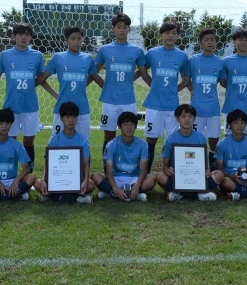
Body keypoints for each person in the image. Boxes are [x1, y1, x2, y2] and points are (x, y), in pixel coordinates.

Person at [0, 22, 54, 171]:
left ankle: (28, 176)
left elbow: (41, 78)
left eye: (27, 34)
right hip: (10, 107)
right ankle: (11, 173)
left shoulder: (37, 56)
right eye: (20, 34)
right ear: (14, 36)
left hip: (30, 106)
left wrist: (56, 94)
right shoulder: (5, 55)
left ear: (31, 37)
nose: (23, 37)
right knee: (10, 141)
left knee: (29, 141)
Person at [139, 21, 190, 174]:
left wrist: (175, 90)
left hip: (172, 106)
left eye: (174, 33)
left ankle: (175, 174)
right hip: (154, 105)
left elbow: (186, 79)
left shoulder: (182, 56)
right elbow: (143, 70)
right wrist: (152, 84)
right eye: (168, 33)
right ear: (161, 34)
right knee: (151, 140)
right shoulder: (153, 53)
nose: (171, 36)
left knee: (173, 141)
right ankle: (147, 174)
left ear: (177, 36)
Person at [37, 26, 104, 140]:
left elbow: (95, 77)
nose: (76, 42)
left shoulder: (87, 58)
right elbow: (42, 79)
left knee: (83, 144)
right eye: (73, 38)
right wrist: (55, 95)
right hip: (62, 108)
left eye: (79, 38)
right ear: (66, 40)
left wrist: (109, 89)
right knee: (57, 143)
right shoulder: (57, 57)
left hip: (82, 108)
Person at [94, 13, 146, 158]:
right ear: (113, 29)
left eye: (125, 27)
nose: (122, 30)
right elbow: (94, 72)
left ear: (129, 29)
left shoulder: (137, 51)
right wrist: (105, 86)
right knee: (109, 136)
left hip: (128, 100)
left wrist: (129, 79)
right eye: (119, 27)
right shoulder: (105, 50)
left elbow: (142, 72)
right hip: (109, 101)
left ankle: (126, 165)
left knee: (128, 135)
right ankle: (107, 166)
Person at [155, 104, 222, 202]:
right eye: (183, 116)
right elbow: (165, 165)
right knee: (160, 176)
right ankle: (199, 195)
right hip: (177, 177)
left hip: (196, 177)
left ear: (194, 119)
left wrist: (206, 171)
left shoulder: (201, 138)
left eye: (190, 116)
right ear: (177, 118)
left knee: (219, 174)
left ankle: (178, 194)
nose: (187, 120)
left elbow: (203, 162)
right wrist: (168, 170)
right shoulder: (170, 139)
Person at [35, 101, 95, 204]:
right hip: (57, 178)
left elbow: (85, 163)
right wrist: (44, 180)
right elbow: (47, 163)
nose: (70, 120)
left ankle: (54, 196)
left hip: (75, 178)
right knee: (37, 183)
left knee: (91, 184)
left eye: (73, 117)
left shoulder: (83, 140)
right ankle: (77, 198)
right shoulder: (54, 140)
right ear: (61, 118)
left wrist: (85, 180)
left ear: (77, 118)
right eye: (67, 117)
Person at [90, 111, 156, 202]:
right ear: (119, 126)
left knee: (151, 180)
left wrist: (137, 185)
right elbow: (109, 171)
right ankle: (123, 193)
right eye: (125, 124)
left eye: (132, 124)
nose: (129, 128)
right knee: (95, 176)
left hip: (134, 178)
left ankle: (115, 193)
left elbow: (144, 169)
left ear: (136, 127)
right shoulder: (111, 144)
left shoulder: (142, 144)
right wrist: (115, 188)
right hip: (116, 178)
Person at [0, 108, 36, 204]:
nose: (4, 126)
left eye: (7, 123)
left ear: (11, 124)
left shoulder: (17, 145)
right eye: (1, 123)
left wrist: (16, 180)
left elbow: (27, 169)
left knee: (32, 177)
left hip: (12, 180)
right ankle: (17, 195)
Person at [187, 28, 225, 170]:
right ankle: (195, 167)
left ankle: (212, 165)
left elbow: (223, 81)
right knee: (196, 139)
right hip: (196, 107)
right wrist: (192, 90)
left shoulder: (220, 62)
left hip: (213, 107)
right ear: (200, 42)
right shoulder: (193, 60)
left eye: (212, 39)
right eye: (206, 39)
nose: (210, 42)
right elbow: (187, 79)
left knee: (214, 138)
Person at [220, 28, 247, 140]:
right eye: (240, 40)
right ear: (234, 41)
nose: (243, 43)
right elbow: (223, 82)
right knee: (228, 138)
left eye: (246, 40)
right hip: (230, 105)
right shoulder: (226, 61)